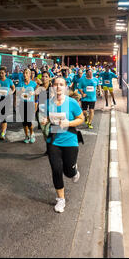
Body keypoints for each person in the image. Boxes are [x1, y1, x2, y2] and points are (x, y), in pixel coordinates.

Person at [40, 77, 85, 213]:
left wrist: (68, 123)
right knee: (56, 169)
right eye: (56, 84)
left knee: (68, 172)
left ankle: (74, 170)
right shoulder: (48, 103)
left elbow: (81, 118)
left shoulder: (72, 102)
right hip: (53, 141)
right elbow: (49, 117)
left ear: (65, 87)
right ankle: (61, 199)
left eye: (61, 84)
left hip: (70, 140)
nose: (58, 87)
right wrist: (45, 120)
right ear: (52, 87)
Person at [0, 66, 15, 140]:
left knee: (4, 116)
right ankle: (4, 129)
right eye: (0, 73)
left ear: (5, 73)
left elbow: (13, 88)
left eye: (2, 73)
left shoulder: (9, 81)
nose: (1, 74)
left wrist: (11, 92)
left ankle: (3, 132)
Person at [18, 68, 38, 144]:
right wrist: (22, 92)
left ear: (30, 74)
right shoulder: (20, 83)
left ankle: (32, 134)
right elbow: (19, 95)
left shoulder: (33, 84)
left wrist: (36, 104)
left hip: (30, 104)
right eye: (24, 73)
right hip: (22, 104)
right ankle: (26, 136)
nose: (25, 74)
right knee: (24, 122)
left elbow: (36, 95)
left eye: (26, 73)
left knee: (29, 121)